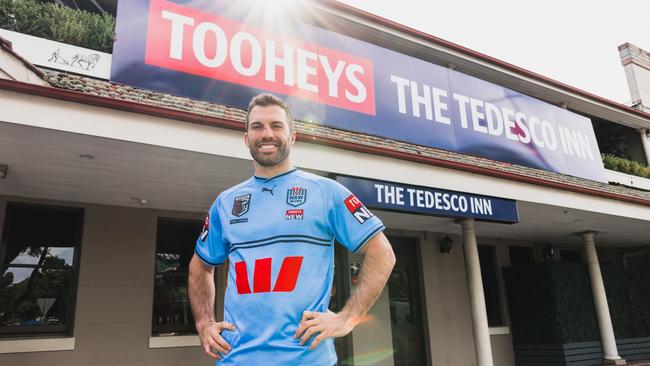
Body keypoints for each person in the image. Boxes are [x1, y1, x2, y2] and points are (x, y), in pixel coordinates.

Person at [188, 93, 396, 365]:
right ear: (246, 138)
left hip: (307, 360)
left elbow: (382, 252)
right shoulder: (226, 203)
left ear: (293, 136)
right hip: (236, 359)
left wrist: (347, 318)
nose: (267, 134)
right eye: (257, 127)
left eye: (276, 126)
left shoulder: (325, 192)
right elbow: (200, 266)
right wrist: (204, 323)